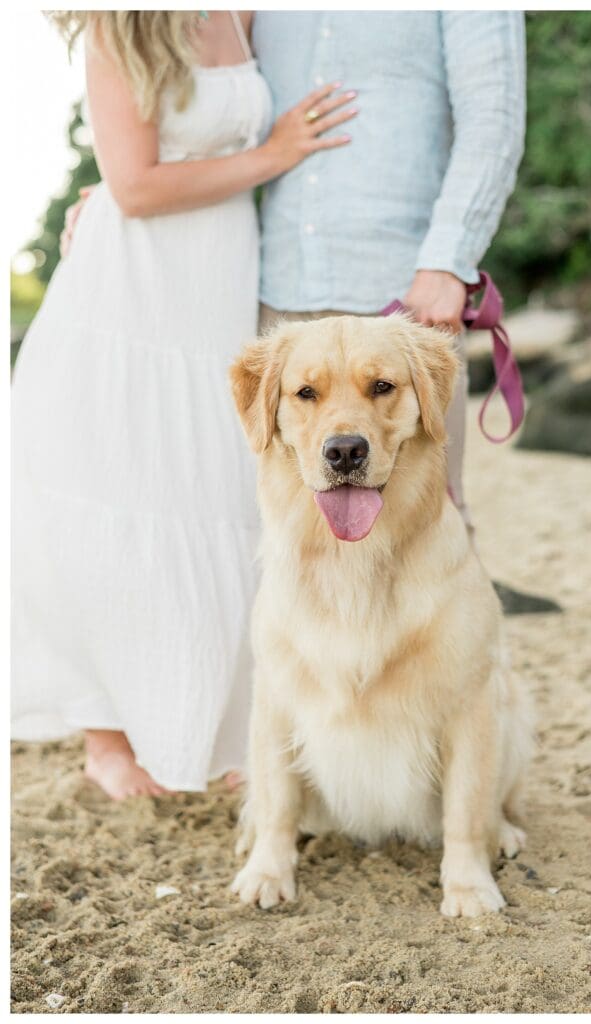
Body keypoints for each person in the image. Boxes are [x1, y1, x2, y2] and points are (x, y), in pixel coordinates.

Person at [11, 10, 357, 800]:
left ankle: (212, 724)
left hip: (214, 288)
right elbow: (133, 188)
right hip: (127, 296)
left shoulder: (243, 13)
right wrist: (273, 155)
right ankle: (106, 737)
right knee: (110, 503)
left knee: (211, 498)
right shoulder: (118, 28)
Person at [252, 10, 526, 536]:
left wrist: (448, 260)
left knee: (429, 531)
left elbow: (494, 118)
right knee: (291, 541)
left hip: (407, 308)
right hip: (277, 302)